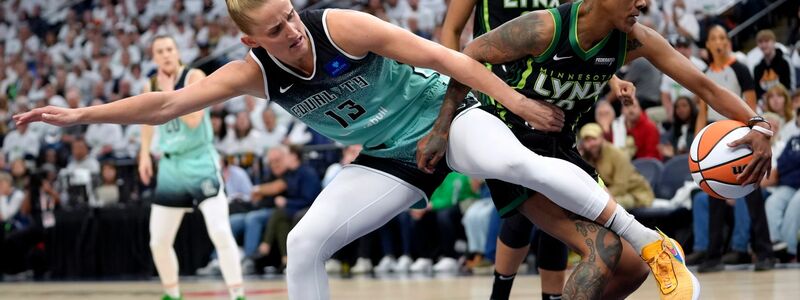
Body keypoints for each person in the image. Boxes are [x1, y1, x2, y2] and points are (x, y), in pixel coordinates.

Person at [14, 1, 768, 298]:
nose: (293, 31)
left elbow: (449, 57)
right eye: (276, 29)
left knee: (511, 163)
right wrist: (78, 112)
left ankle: (653, 245)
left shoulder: (341, 25)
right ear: (251, 41)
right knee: (306, 240)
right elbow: (169, 100)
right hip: (386, 161)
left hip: (450, 120)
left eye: (289, 16)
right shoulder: (252, 72)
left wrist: (508, 102)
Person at [431, 0, 773, 299]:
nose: (642, 3)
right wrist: (443, 129)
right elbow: (469, 56)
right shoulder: (545, 28)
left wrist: (759, 124)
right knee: (602, 248)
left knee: (634, 268)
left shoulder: (633, 38)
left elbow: (704, 86)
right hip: (510, 145)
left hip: (562, 149)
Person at [441, 0, 569, 297]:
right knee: (523, 203)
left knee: (560, 197)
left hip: (548, 92)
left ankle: (545, 295)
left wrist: (612, 80)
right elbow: (451, 29)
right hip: (496, 96)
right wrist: (458, 84)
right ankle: (500, 293)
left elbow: (580, 23)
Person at [136, 36, 244, 300]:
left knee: (219, 230)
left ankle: (237, 294)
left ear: (178, 52)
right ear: (154, 57)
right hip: (171, 165)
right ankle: (172, 294)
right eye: (160, 51)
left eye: (170, 49)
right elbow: (147, 121)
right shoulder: (150, 84)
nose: (166, 55)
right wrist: (144, 155)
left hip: (200, 160)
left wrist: (169, 94)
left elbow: (194, 120)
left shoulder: (194, 76)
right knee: (158, 241)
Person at [695, 25, 776, 273]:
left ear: (727, 43)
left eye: (723, 37)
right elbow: (702, 111)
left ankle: (765, 252)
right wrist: (695, 144)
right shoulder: (705, 73)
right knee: (713, 195)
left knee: (752, 195)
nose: (719, 42)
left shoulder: (740, 69)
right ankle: (713, 256)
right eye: (714, 38)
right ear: (707, 45)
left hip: (740, 137)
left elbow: (751, 110)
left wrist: (752, 137)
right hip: (712, 140)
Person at [579, 123, 653, 210]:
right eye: (587, 140)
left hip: (635, 193)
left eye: (594, 139)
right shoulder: (587, 156)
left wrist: (598, 197)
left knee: (604, 207)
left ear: (602, 138)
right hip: (609, 193)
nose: (591, 144)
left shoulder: (617, 154)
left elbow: (621, 186)